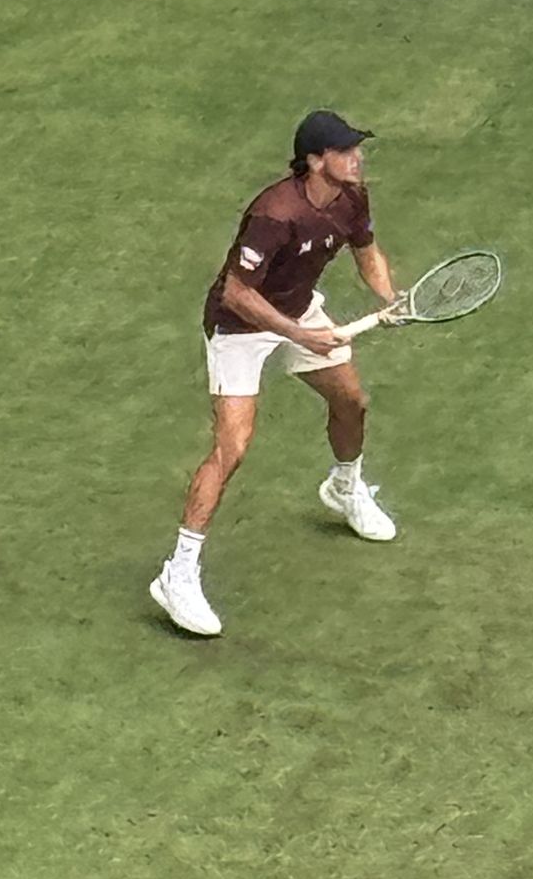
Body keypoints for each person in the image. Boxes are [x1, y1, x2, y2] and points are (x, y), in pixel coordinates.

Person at [150, 112, 400, 638]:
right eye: (345, 151)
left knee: (351, 402)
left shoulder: (352, 198)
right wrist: (298, 334)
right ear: (315, 161)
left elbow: (367, 253)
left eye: (357, 148)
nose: (357, 158)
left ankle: (344, 487)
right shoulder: (274, 213)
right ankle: (179, 573)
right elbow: (237, 293)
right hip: (239, 327)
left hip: (299, 310)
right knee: (232, 447)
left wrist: (389, 297)